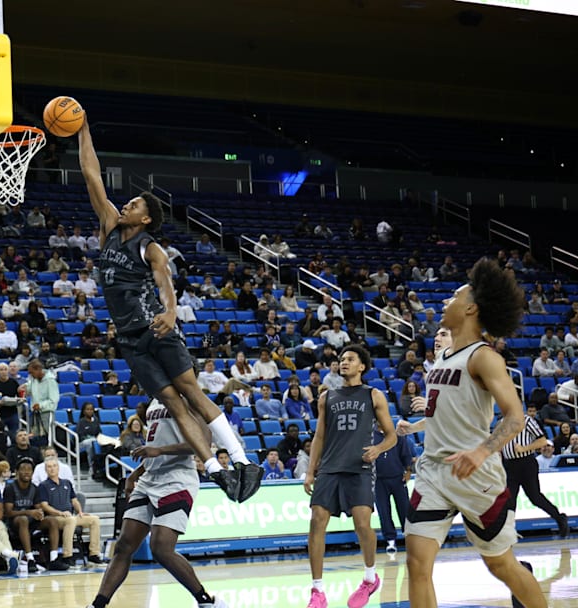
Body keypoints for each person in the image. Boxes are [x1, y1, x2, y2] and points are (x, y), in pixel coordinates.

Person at [79, 118, 259, 503]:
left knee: (192, 394)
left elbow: (164, 280)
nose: (126, 204)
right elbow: (91, 173)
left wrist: (172, 311)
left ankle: (243, 459)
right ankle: (215, 470)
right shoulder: (110, 227)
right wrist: (82, 130)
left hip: (155, 328)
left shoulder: (151, 246)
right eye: (127, 201)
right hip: (129, 340)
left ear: (145, 218)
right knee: (173, 404)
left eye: (135, 204)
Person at [403, 259, 546, 608]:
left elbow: (514, 417)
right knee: (416, 563)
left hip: (476, 474)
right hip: (434, 472)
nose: (445, 301)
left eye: (453, 296)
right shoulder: (443, 356)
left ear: (470, 308)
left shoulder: (484, 358)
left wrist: (481, 452)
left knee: (501, 564)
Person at [89, 397, 226, 608]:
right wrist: (135, 474)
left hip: (177, 479)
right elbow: (155, 448)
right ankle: (97, 605)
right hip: (150, 477)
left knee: (161, 548)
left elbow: (203, 445)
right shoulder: (155, 401)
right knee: (124, 545)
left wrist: (160, 451)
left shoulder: (191, 399)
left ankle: (206, 601)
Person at [302, 344, 396, 608]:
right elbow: (319, 436)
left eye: (350, 359)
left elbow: (391, 435)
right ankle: (317, 590)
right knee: (317, 521)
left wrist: (377, 449)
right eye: (342, 359)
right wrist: (310, 471)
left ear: (362, 366)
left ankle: (369, 578)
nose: (344, 362)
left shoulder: (373, 395)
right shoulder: (326, 397)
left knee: (362, 525)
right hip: (331, 466)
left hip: (360, 468)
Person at [501, 406, 569, 537]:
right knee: (509, 499)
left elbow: (542, 441)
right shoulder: (501, 423)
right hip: (509, 464)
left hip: (526, 463)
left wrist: (524, 448)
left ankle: (559, 518)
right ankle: (508, 531)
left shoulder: (527, 421)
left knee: (535, 497)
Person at [373, 425, 415, 554]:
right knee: (384, 511)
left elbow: (405, 454)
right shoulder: (370, 436)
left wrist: (408, 471)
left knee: (404, 510)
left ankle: (410, 539)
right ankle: (390, 541)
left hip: (398, 478)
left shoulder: (397, 435)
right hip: (378, 480)